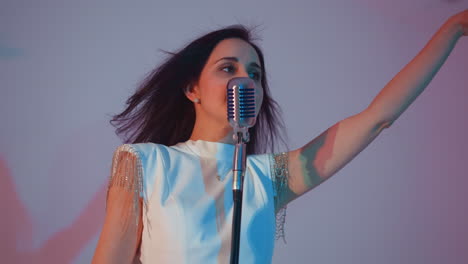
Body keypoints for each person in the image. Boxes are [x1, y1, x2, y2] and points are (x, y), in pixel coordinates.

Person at [92, 10, 467, 264]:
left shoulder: (267, 177)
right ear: (193, 89)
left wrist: (452, 29)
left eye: (254, 74)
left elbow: (377, 118)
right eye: (228, 68)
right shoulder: (146, 162)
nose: (245, 81)